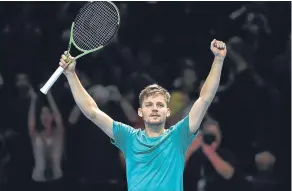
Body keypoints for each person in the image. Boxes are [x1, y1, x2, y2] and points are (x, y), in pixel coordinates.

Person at [59, 39, 227, 191]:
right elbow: (92, 112)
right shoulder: (129, 137)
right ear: (140, 112)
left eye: (159, 105)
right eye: (149, 105)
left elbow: (204, 99)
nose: (154, 109)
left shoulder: (178, 136)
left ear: (167, 112)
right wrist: (71, 75)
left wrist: (218, 60)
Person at [27, 86, 65, 191]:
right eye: (42, 114)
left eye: (48, 113)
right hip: (38, 181)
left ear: (52, 117)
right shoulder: (37, 136)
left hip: (57, 180)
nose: (45, 116)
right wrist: (33, 100)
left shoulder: (57, 134)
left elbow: (59, 122)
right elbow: (31, 125)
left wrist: (50, 96)